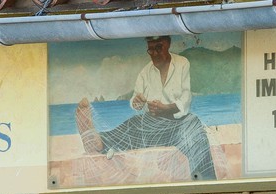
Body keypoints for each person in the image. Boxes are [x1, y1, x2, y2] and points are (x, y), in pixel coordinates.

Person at [74, 36, 217, 181]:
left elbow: (186, 97)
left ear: (167, 44)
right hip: (153, 126)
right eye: (151, 49)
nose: (154, 53)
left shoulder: (182, 63)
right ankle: (97, 141)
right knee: (133, 124)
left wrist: (166, 108)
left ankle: (204, 180)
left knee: (193, 126)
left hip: (177, 124)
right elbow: (136, 103)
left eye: (158, 48)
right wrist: (137, 102)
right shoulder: (145, 72)